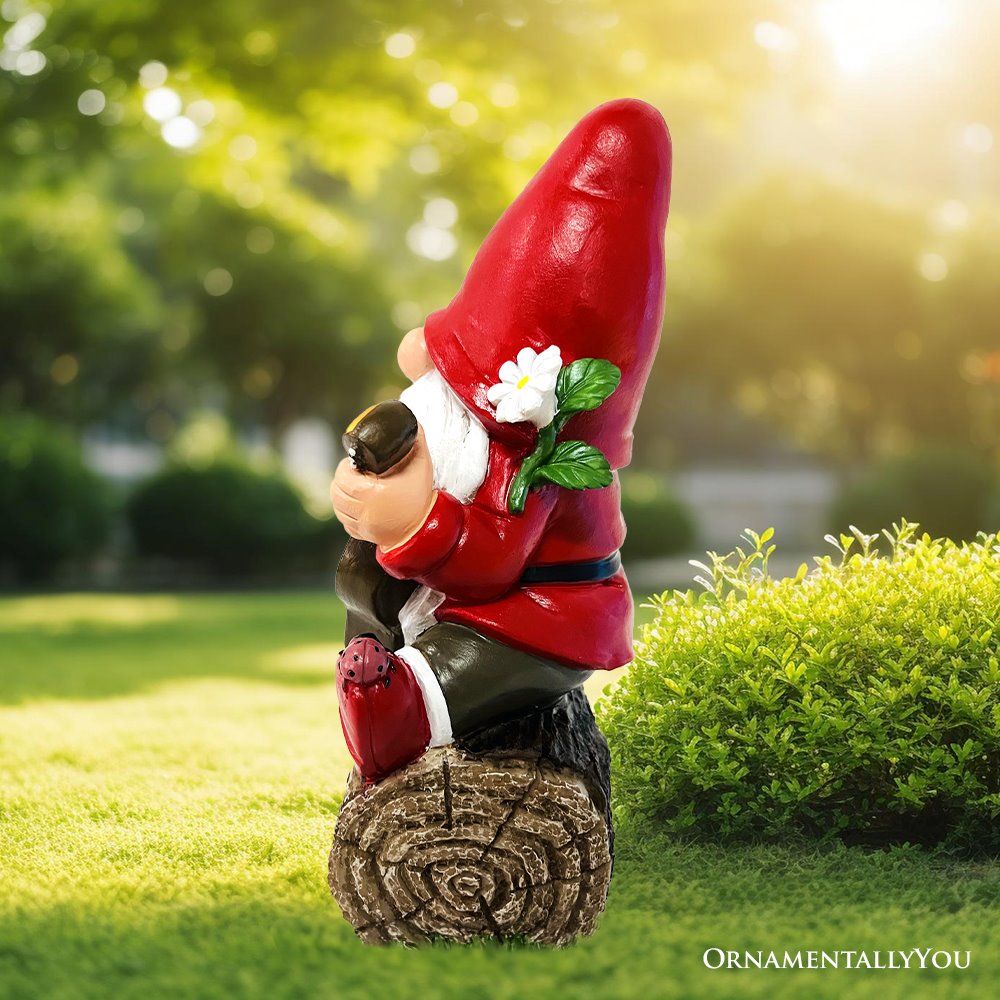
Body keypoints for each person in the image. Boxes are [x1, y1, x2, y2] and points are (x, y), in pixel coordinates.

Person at [330, 98, 672, 782]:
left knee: (466, 666)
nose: (445, 377)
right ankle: (371, 664)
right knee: (366, 578)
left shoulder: (537, 452)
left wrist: (406, 518)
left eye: (465, 364)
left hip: (536, 616)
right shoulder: (450, 411)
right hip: (441, 596)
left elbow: (490, 560)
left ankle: (405, 709)